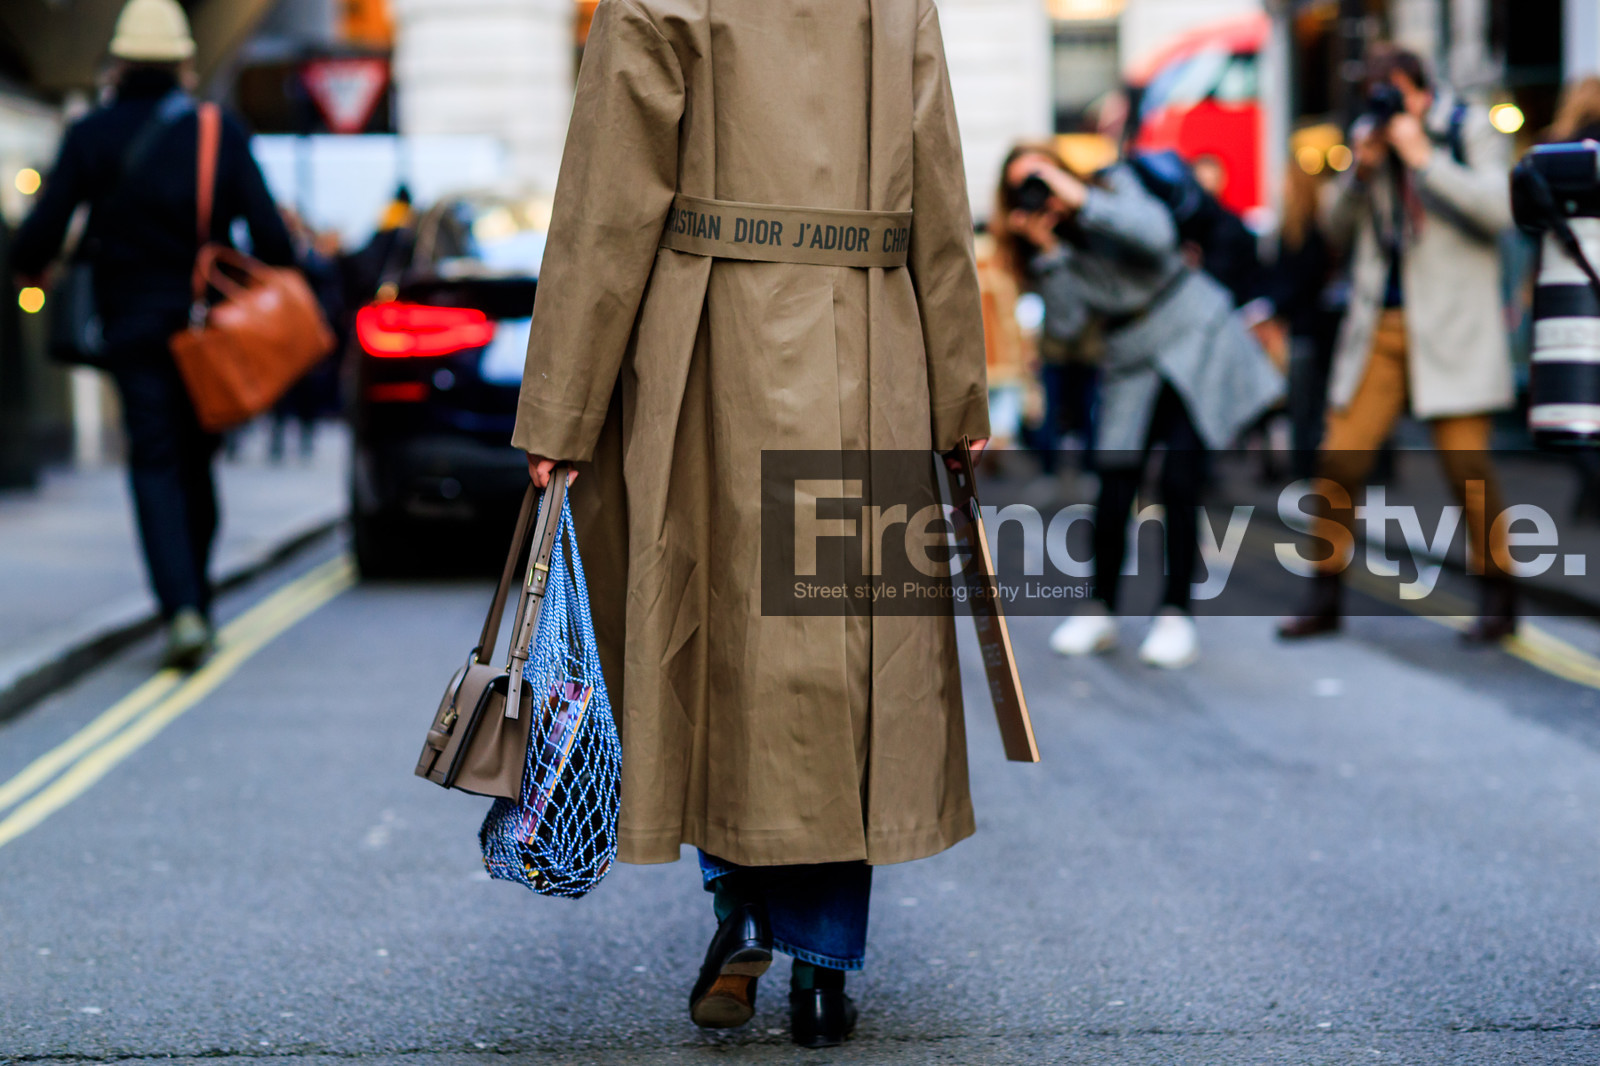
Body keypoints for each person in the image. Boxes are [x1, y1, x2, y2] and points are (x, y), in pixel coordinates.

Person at [512, 0, 989, 1049]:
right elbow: (940, 196)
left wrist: (560, 411)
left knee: (725, 655)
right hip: (869, 339)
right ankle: (822, 961)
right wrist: (958, 399)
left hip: (711, 346)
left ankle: (741, 908)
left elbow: (606, 206)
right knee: (841, 663)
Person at [11, 0, 295, 668]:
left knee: (155, 462)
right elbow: (274, 241)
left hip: (132, 329)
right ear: (185, 66)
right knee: (197, 463)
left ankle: (183, 609)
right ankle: (193, 595)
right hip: (208, 330)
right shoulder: (216, 130)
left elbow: (38, 236)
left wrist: (40, 266)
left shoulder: (92, 134)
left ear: (115, 65)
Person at [997, 145, 1281, 669]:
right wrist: (1051, 253)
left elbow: (1156, 237)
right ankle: (1099, 609)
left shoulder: (1113, 186)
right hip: (1130, 357)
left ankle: (1176, 615)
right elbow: (1064, 325)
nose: (1037, 192)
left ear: (1061, 168)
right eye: (1023, 188)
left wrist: (1080, 200)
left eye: (1040, 176)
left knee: (1180, 479)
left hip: (1194, 335)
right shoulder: (1046, 244)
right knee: (1114, 480)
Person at [1278, 46, 1516, 642]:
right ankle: (1324, 592)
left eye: (1396, 94)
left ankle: (1500, 592)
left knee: (1469, 470)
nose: (1385, 106)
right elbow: (1333, 230)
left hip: (1450, 326)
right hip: (1378, 330)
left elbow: (1499, 210)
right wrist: (1360, 170)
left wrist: (1424, 158)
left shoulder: (1467, 129)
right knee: (1338, 460)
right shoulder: (1368, 141)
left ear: (1420, 90)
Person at [1266, 156, 1337, 479]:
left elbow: (1301, 281)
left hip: (1307, 327)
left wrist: (1275, 305)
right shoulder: (1293, 229)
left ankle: (1305, 468)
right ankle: (1303, 466)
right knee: (1304, 402)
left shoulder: (1308, 232)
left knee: (1305, 402)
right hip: (1303, 325)